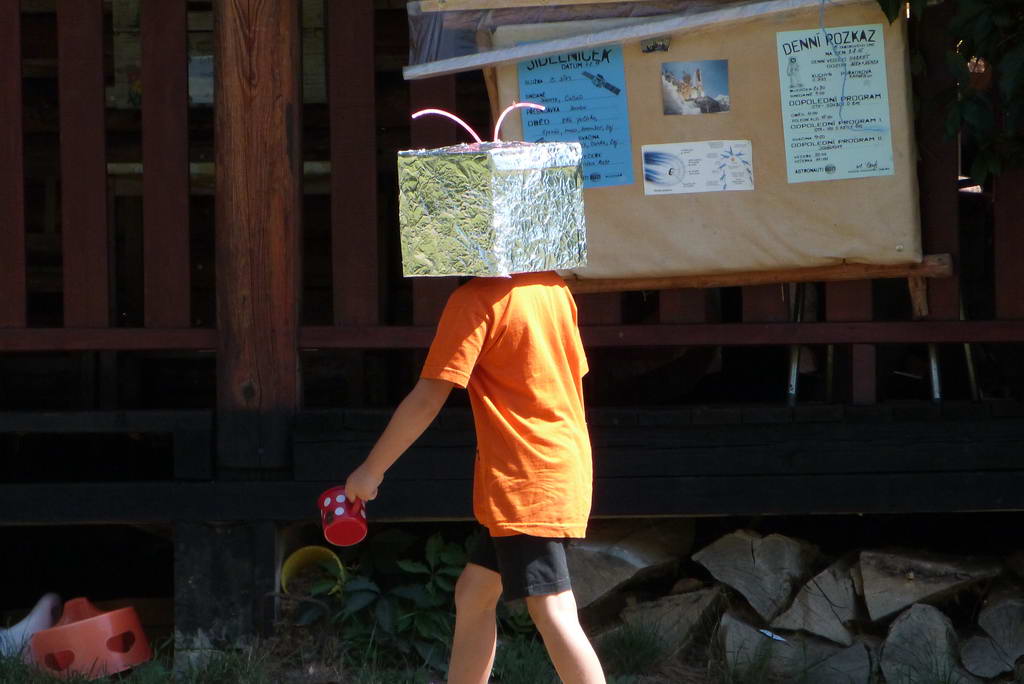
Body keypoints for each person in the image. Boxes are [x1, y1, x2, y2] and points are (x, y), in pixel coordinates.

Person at [344, 270, 605, 684]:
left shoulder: (474, 300)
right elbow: (573, 373)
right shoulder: (552, 287)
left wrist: (370, 471)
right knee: (474, 594)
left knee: (552, 609)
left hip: (524, 479)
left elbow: (428, 398)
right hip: (560, 463)